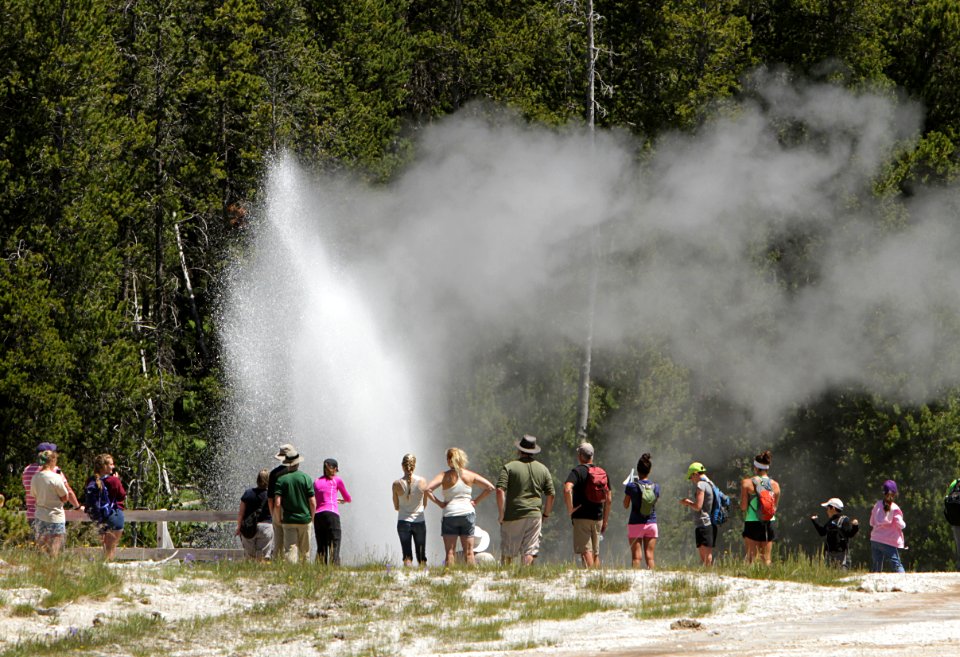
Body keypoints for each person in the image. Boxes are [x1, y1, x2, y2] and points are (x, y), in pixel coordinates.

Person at [426, 447, 495, 566]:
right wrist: (476, 501)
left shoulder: (444, 476)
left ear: (449, 460)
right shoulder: (469, 475)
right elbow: (490, 487)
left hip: (450, 514)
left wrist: (440, 503)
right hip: (467, 513)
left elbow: (427, 489)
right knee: (469, 552)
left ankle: (449, 578)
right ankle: (471, 578)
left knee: (450, 552)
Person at [496, 434, 556, 566]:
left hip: (513, 514)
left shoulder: (509, 467)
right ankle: (525, 575)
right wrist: (546, 514)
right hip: (535, 514)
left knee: (508, 551)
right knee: (530, 550)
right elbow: (551, 494)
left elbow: (500, 490)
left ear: (519, 450)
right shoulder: (543, 469)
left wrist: (501, 514)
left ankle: (506, 577)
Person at [563, 442, 611, 568]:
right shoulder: (602, 473)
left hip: (582, 517)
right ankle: (598, 580)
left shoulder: (577, 471)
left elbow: (567, 489)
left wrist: (570, 509)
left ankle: (592, 578)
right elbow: (609, 499)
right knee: (595, 553)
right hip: (598, 517)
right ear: (592, 456)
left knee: (585, 551)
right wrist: (605, 521)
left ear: (580, 455)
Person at [22, 442, 79, 538]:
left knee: (37, 548)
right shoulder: (55, 471)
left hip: (33, 514)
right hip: (52, 515)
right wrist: (77, 506)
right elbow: (67, 491)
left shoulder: (27, 470)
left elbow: (29, 491)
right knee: (54, 547)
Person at [30, 450, 79, 556]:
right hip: (55, 515)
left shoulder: (35, 478)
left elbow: (34, 495)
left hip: (40, 515)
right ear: (52, 460)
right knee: (54, 548)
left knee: (41, 548)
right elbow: (65, 497)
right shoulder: (56, 477)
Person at [273, 449, 316, 563]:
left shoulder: (281, 480)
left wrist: (278, 519)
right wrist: (312, 518)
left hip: (289, 521)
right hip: (304, 519)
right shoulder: (306, 478)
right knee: (305, 552)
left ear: (287, 463)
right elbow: (312, 502)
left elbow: (277, 504)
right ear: (298, 463)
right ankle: (305, 576)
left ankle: (291, 574)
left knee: (290, 551)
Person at [739, 450, 781, 565]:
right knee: (766, 559)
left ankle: (751, 580)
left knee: (751, 558)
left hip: (752, 521)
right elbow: (774, 508)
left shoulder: (747, 483)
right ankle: (768, 580)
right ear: (767, 468)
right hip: (768, 522)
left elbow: (743, 507)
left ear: (755, 467)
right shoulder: (775, 485)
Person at [88, 453, 126, 560]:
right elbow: (122, 495)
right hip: (114, 514)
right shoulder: (113, 480)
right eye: (111, 464)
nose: (113, 467)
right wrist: (118, 480)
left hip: (99, 517)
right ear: (104, 466)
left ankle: (103, 569)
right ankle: (107, 568)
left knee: (105, 547)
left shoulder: (91, 480)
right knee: (111, 549)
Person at [624, 453, 659, 569]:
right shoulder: (656, 487)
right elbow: (653, 503)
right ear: (649, 470)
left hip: (635, 523)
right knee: (650, 557)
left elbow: (625, 505)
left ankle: (635, 582)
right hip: (651, 523)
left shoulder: (631, 486)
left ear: (637, 470)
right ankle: (654, 581)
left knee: (636, 557)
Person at [314, 458, 352, 565]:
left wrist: (333, 499)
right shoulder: (337, 480)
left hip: (318, 515)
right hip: (332, 514)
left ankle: (321, 570)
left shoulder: (316, 482)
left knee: (321, 547)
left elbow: (319, 498)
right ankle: (334, 570)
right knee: (334, 545)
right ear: (335, 469)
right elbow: (348, 498)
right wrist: (343, 500)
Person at [393, 453, 428, 567]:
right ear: (415, 465)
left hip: (403, 521)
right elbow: (425, 504)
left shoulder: (396, 484)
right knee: (421, 554)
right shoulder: (423, 481)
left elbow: (396, 506)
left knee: (407, 555)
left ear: (402, 466)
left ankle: (408, 577)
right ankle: (424, 577)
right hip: (419, 521)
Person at [680, 462, 716, 566]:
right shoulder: (709, 484)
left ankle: (708, 574)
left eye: (691, 477)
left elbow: (698, 507)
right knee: (705, 554)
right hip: (705, 523)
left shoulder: (701, 485)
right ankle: (706, 573)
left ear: (696, 474)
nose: (691, 480)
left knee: (705, 554)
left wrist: (687, 502)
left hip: (703, 523)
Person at [810, 497, 859, 569]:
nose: (827, 511)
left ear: (833, 508)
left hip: (841, 554)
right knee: (831, 573)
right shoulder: (830, 521)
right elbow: (822, 532)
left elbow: (850, 534)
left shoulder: (844, 520)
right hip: (830, 553)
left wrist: (855, 526)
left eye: (828, 508)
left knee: (841, 574)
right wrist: (815, 521)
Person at [237, 468, 273, 560]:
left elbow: (241, 513)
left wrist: (238, 527)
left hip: (249, 527)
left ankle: (250, 572)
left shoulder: (248, 493)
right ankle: (263, 573)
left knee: (250, 557)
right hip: (266, 527)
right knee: (264, 557)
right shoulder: (270, 494)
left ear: (257, 479)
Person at [870, 479, 906, 573]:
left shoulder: (877, 505)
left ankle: (875, 582)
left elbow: (871, 522)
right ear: (895, 493)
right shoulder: (895, 508)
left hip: (875, 539)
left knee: (876, 565)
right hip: (889, 541)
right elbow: (900, 525)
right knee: (896, 563)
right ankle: (903, 579)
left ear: (883, 492)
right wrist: (904, 524)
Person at [268, 443, 295, 561]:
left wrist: (272, 513)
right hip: (292, 510)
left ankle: (277, 565)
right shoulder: (295, 474)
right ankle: (291, 564)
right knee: (291, 541)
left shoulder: (274, 473)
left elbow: (270, 498)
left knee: (278, 540)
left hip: (277, 509)